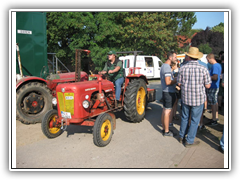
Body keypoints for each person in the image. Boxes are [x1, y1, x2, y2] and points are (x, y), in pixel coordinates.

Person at [177, 47, 211, 147]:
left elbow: (178, 83)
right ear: (197, 57)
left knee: (184, 117)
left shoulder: (183, 68)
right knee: (195, 120)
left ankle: (181, 136)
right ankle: (189, 140)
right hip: (198, 98)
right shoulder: (203, 68)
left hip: (186, 97)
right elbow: (208, 85)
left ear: (189, 56)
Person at [160, 51, 177, 137]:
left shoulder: (164, 66)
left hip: (165, 91)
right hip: (168, 92)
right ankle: (166, 131)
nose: (176, 59)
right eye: (175, 58)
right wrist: (176, 80)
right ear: (170, 58)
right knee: (167, 111)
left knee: (164, 110)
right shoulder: (166, 67)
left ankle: (164, 128)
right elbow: (168, 82)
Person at [206, 53, 222, 126]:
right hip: (215, 86)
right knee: (215, 102)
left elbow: (215, 77)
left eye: (207, 59)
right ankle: (215, 117)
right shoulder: (218, 65)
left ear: (210, 58)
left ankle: (214, 119)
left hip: (213, 86)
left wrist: (208, 77)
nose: (207, 61)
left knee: (213, 103)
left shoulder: (215, 66)